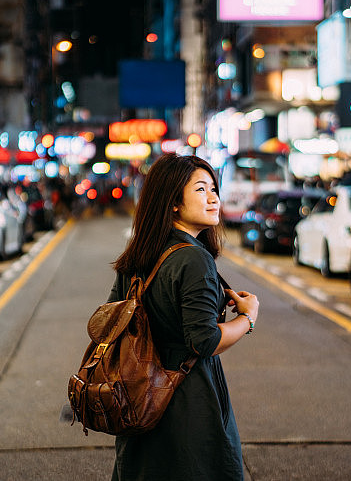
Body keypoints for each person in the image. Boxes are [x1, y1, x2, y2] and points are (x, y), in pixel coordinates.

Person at [108, 153, 259, 481]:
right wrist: (247, 319)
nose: (214, 197)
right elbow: (204, 340)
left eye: (214, 189)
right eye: (201, 190)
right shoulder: (193, 259)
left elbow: (110, 320)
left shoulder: (140, 252)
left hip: (138, 399)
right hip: (186, 406)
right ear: (173, 201)